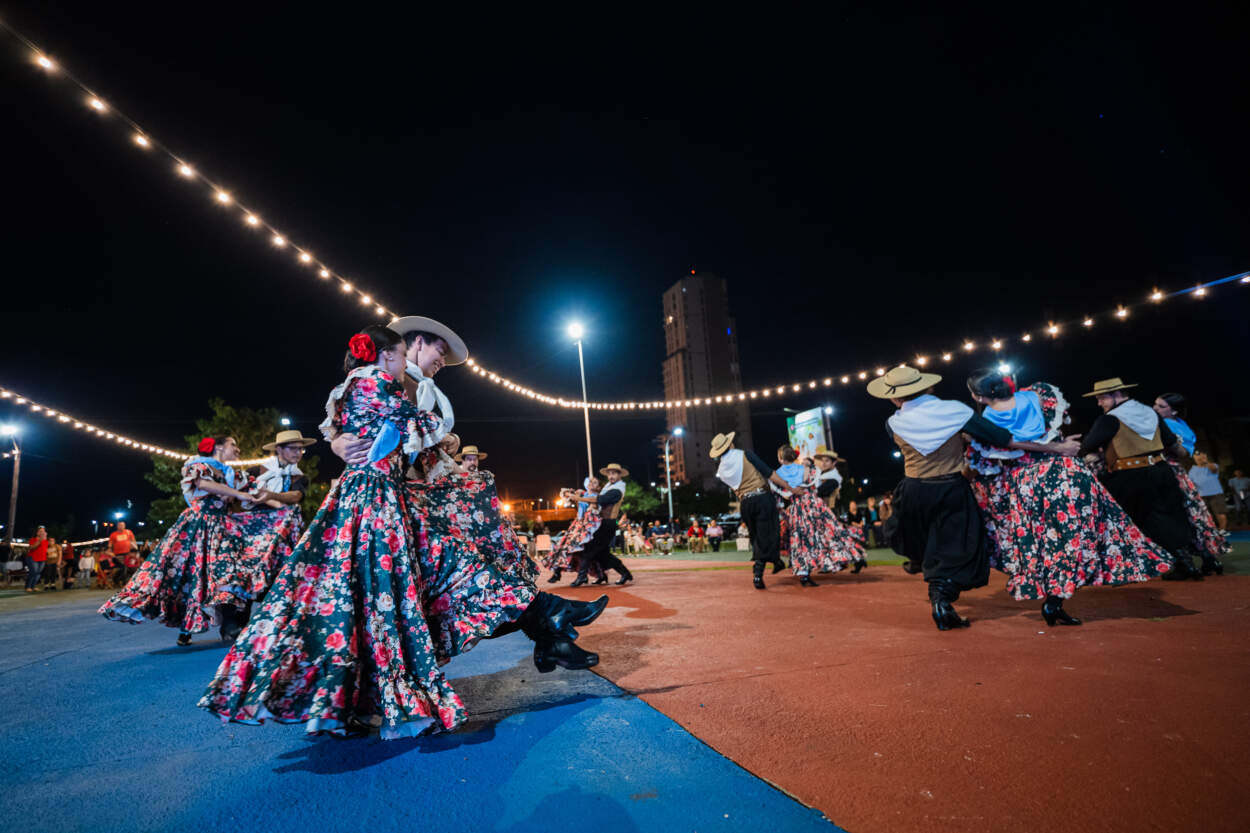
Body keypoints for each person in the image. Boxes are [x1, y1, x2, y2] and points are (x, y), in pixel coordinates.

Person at [329, 317, 605, 671]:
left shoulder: (416, 385)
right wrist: (341, 442)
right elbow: (366, 427)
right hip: (398, 503)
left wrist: (441, 444)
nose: (442, 360)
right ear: (412, 346)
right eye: (439, 351)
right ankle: (551, 623)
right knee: (465, 577)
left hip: (414, 500)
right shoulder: (389, 381)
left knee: (469, 578)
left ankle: (551, 631)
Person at [867, 365, 1077, 630]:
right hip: (950, 486)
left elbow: (925, 438)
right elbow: (1005, 440)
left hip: (912, 491)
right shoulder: (955, 411)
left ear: (895, 398)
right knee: (960, 548)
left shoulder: (893, 422)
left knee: (928, 544)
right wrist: (1057, 447)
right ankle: (941, 599)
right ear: (928, 387)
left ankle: (932, 585)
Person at [965, 369, 1173, 624]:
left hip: (1025, 483)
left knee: (1043, 543)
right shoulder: (1038, 394)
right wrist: (1057, 445)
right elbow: (1050, 429)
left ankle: (1053, 598)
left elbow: (996, 453)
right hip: (1063, 473)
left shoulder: (987, 420)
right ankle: (1056, 600)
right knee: (1080, 535)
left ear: (978, 396)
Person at [100, 435, 260, 645]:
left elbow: (256, 489)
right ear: (219, 447)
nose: (238, 450)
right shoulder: (197, 466)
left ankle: (229, 624)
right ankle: (186, 626)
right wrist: (239, 494)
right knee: (188, 575)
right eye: (233, 445)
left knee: (228, 572)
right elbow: (205, 484)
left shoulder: (233, 474)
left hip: (225, 528)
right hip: (197, 527)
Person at [1078, 379, 1203, 579]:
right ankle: (1184, 562)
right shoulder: (1150, 413)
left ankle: (1116, 569)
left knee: (1114, 519)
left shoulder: (1110, 419)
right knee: (1165, 518)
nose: (1099, 403)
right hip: (1161, 471)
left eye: (1101, 398)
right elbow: (1171, 443)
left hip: (1128, 476)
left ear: (1116, 394)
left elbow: (1087, 445)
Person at [230, 429, 315, 603]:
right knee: (245, 567)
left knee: (287, 573)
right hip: (254, 529)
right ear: (279, 449)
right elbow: (244, 492)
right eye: (293, 448)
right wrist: (271, 500)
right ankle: (234, 620)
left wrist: (269, 496)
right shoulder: (256, 470)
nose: (298, 453)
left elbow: (296, 496)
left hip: (284, 530)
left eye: (301, 449)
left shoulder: (299, 476)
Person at [709, 432, 800, 589]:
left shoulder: (722, 471)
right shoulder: (745, 455)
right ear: (730, 445)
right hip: (762, 498)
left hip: (745, 503)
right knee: (769, 533)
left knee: (758, 536)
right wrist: (790, 487)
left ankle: (776, 562)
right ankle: (758, 574)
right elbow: (769, 473)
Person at [1153, 392, 1230, 569]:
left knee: (1172, 516)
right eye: (1155, 404)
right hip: (1177, 473)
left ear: (1174, 412)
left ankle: (1185, 561)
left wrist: (1169, 442)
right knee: (1192, 515)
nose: (1155, 408)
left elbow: (1183, 452)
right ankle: (1207, 557)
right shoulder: (1179, 425)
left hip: (1166, 471)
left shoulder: (1171, 425)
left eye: (1161, 406)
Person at [773, 445, 863, 586]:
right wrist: (804, 487)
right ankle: (849, 557)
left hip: (797, 507)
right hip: (814, 504)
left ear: (780, 458)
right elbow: (815, 483)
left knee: (801, 539)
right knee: (829, 532)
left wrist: (792, 491)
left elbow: (781, 493)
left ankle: (804, 574)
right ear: (794, 456)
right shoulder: (808, 469)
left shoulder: (777, 474)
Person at [566, 463, 635, 586]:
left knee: (589, 550)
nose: (611, 476)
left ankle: (582, 577)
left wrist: (579, 498)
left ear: (619, 475)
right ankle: (619, 574)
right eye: (609, 473)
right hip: (601, 523)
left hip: (607, 524)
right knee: (602, 554)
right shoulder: (608, 487)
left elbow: (598, 500)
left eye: (613, 473)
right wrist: (580, 495)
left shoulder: (617, 490)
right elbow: (595, 499)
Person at [544, 478, 605, 584]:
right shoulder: (582, 493)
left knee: (578, 551)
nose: (591, 483)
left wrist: (576, 497)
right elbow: (565, 493)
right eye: (590, 481)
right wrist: (571, 494)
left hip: (588, 526)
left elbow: (592, 508)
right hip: (577, 525)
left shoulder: (596, 497)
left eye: (594, 482)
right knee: (564, 547)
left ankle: (588, 575)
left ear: (599, 487)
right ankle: (558, 572)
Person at [1188, 451, 1228, 532]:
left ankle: (1222, 530)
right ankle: (1210, 531)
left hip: (1216, 494)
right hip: (1201, 495)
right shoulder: (1192, 470)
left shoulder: (1212, 465)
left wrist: (1205, 461)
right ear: (1194, 458)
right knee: (1205, 514)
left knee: (1219, 513)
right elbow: (1191, 484)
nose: (1199, 458)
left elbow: (1214, 469)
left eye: (1201, 456)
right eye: (1197, 456)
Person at [22, 526, 48, 593]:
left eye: (43, 531)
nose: (42, 532)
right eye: (40, 531)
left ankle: (33, 587)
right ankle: (28, 587)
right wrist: (39, 540)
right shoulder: (33, 539)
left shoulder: (46, 541)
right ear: (37, 533)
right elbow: (32, 548)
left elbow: (45, 550)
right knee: (33, 572)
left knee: (38, 573)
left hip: (42, 559)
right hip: (32, 558)